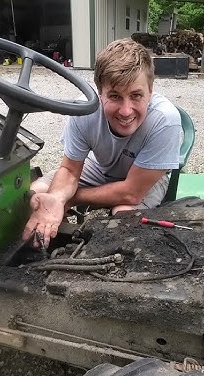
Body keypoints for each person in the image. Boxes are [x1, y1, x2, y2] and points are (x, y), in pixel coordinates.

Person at [23, 38, 182, 248]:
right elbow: (70, 170)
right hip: (99, 167)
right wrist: (55, 199)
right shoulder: (83, 110)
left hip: (144, 179)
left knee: (124, 218)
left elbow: (131, 193)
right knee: (36, 195)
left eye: (136, 96)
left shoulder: (165, 120)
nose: (126, 111)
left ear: (150, 91)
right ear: (100, 93)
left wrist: (69, 198)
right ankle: (55, 246)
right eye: (115, 96)